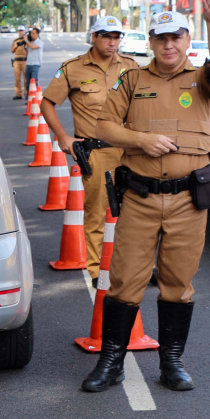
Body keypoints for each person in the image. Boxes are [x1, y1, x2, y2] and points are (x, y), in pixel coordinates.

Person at [81, 0, 210, 393]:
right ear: (150, 42)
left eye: (177, 37)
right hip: (141, 199)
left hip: (188, 201)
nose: (169, 45)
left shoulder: (201, 80)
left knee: (177, 283)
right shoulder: (132, 80)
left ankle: (172, 363)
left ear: (187, 41)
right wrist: (140, 141)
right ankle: (111, 362)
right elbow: (103, 128)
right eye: (161, 38)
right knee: (124, 280)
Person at [40, 15, 139, 287]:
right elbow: (47, 103)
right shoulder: (73, 69)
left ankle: (133, 269)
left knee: (136, 212)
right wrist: (63, 137)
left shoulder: (131, 67)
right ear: (93, 37)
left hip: (131, 152)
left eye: (117, 36)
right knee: (97, 211)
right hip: (96, 152)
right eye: (107, 36)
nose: (113, 41)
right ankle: (97, 270)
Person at [10, 26, 29, 99]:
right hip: (17, 61)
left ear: (24, 31)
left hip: (24, 61)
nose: (21, 32)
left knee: (25, 79)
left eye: (22, 31)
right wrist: (15, 46)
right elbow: (12, 51)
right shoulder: (16, 40)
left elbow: (28, 50)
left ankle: (26, 93)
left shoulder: (26, 40)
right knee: (17, 79)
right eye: (20, 31)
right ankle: (18, 94)